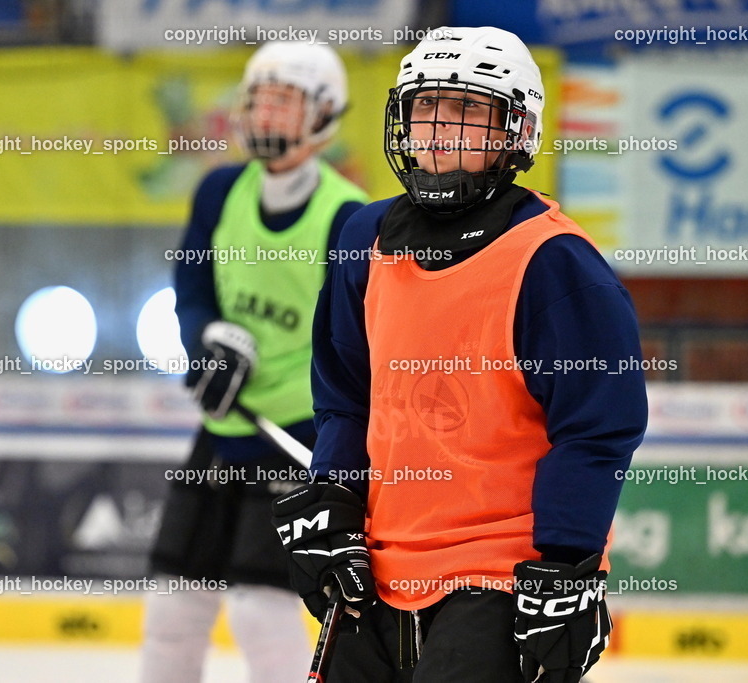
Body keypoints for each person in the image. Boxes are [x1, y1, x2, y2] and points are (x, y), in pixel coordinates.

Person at [270, 26, 648, 683]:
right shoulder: (363, 236)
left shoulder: (554, 261)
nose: (440, 128)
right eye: (425, 107)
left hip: (499, 574)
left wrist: (568, 560)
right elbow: (345, 395)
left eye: (468, 110)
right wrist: (335, 492)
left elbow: (596, 429)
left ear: (516, 131)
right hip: (380, 565)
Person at [140, 42, 368, 683]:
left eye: (284, 101)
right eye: (259, 99)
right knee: (172, 608)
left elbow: (355, 342)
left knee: (261, 612)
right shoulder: (218, 191)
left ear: (324, 116)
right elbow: (191, 290)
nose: (266, 115)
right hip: (223, 430)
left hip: (297, 435)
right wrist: (204, 343)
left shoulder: (345, 217)